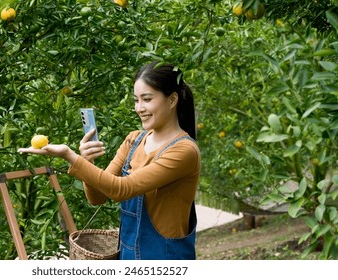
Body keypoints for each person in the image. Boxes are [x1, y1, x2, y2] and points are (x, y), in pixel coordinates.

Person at [18, 61, 201, 260]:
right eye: (136, 100)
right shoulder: (134, 140)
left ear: (172, 99)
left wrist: (70, 156)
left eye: (147, 99)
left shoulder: (184, 151)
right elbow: (97, 198)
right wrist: (88, 161)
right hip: (127, 256)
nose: (139, 108)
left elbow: (121, 189)